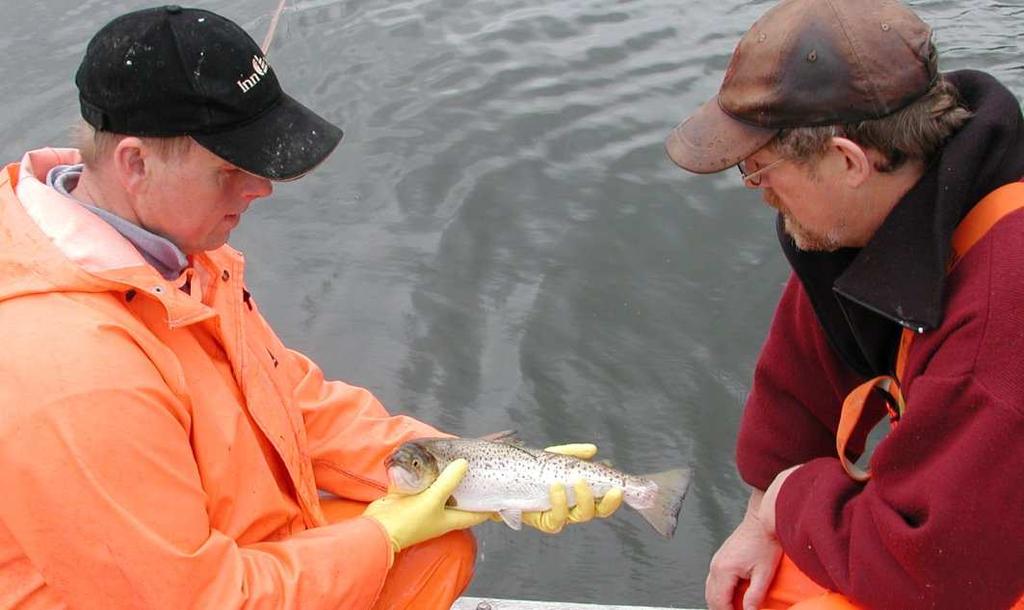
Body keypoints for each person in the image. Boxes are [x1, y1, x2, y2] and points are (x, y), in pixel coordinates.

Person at [0, 6, 623, 609]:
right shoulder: (72, 368)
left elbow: (297, 406)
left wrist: (478, 472)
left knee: (434, 551)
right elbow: (196, 599)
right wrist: (381, 535)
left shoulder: (173, 255)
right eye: (229, 170)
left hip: (202, 550)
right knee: (404, 551)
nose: (260, 187)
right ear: (135, 163)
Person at [664, 0, 1024, 608]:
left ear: (848, 161)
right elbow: (803, 370)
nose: (760, 194)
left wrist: (789, 498)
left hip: (964, 573)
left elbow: (935, 579)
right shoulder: (912, 200)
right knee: (772, 577)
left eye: (761, 170)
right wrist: (760, 514)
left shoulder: (999, 320)